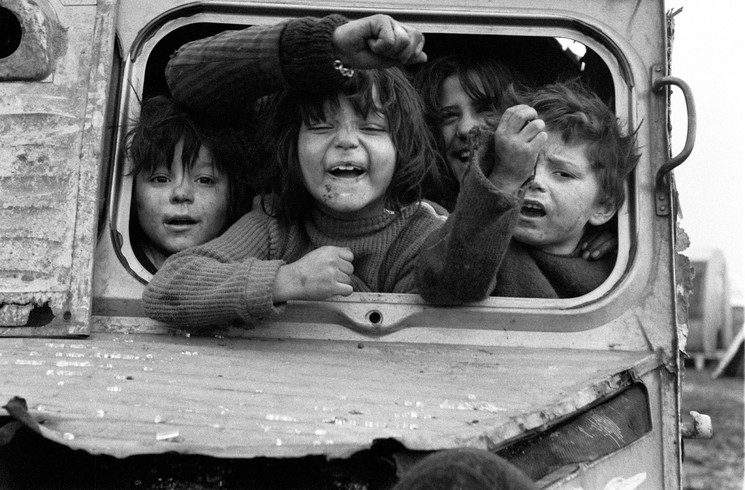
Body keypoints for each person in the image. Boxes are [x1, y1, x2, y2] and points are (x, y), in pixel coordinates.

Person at [142, 15, 448, 328]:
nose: (346, 141)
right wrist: (289, 279)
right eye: (321, 126)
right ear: (292, 147)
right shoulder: (276, 224)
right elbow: (166, 289)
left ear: (401, 147)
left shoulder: (423, 232)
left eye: (371, 128)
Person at [417, 80, 641, 302]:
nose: (535, 180)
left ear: (603, 206)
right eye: (522, 165)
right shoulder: (485, 252)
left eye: (563, 174)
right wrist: (505, 178)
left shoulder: (619, 272)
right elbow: (446, 284)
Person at [415, 54, 616, 260]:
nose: (466, 128)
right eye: (447, 116)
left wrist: (604, 237)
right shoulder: (420, 219)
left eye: (485, 109)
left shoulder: (576, 226)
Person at [127, 95, 254, 272]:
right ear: (133, 193)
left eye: (205, 180)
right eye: (161, 179)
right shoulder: (117, 263)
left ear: (234, 194)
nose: (181, 194)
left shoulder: (250, 266)